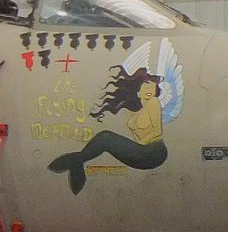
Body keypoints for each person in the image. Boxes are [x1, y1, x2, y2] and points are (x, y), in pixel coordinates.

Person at [46, 66, 169, 194]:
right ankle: (76, 163)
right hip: (140, 154)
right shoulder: (132, 111)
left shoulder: (153, 103)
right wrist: (134, 145)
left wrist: (139, 144)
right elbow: (136, 137)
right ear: (138, 89)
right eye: (147, 85)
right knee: (105, 140)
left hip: (155, 152)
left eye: (153, 87)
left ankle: (72, 161)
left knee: (105, 137)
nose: (151, 90)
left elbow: (157, 133)